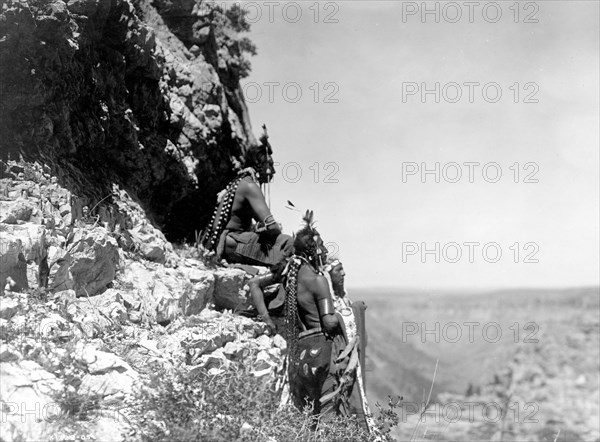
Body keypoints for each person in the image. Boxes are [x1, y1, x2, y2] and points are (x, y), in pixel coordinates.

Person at [201, 129, 293, 266]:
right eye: (271, 166)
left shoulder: (241, 180)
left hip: (227, 241)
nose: (273, 171)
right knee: (288, 242)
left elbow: (261, 222)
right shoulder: (251, 186)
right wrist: (273, 228)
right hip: (232, 242)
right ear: (260, 165)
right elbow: (272, 227)